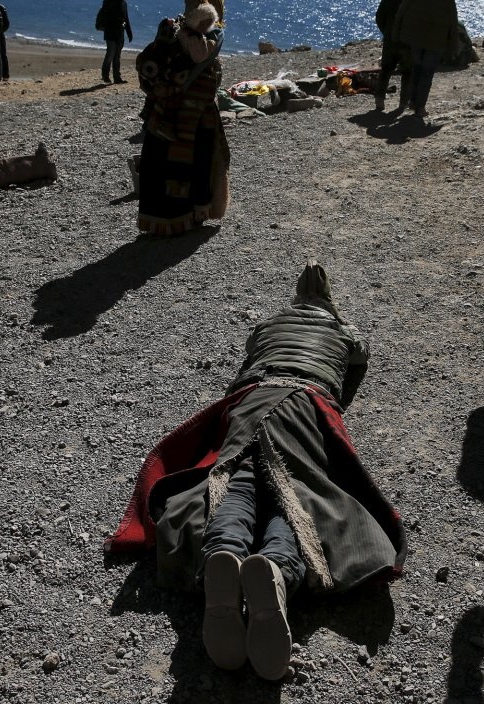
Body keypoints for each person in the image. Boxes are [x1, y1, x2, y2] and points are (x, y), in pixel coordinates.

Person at [106, 261, 406, 681]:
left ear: (295, 297)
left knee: (239, 478)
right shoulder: (342, 331)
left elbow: (254, 344)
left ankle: (224, 551)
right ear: (328, 299)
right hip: (303, 401)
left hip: (251, 399)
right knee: (293, 488)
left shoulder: (268, 326)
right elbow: (360, 355)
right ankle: (277, 568)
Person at [134, 0, 230, 235]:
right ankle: (190, 216)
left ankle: (159, 220)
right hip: (196, 113)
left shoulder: (178, 30)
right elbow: (200, 59)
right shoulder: (212, 34)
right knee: (196, 160)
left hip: (165, 109)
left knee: (162, 161)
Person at [392, 0, 459, 119]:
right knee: (426, 74)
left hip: (415, 40)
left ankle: (413, 101)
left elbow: (400, 14)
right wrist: (453, 48)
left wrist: (396, 36)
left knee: (417, 69)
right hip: (434, 43)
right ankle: (419, 106)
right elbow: (453, 26)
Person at [373, 0, 414, 113]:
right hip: (408, 43)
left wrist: (387, 33)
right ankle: (403, 103)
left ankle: (379, 100)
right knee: (407, 73)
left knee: (386, 70)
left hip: (390, 41)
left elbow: (379, 18)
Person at [96, 0, 134, 84]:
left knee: (117, 55)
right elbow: (106, 15)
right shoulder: (108, 1)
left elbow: (126, 18)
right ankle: (105, 76)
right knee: (110, 54)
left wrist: (129, 33)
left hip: (119, 33)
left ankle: (117, 78)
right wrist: (117, 21)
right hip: (110, 32)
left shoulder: (124, 3)